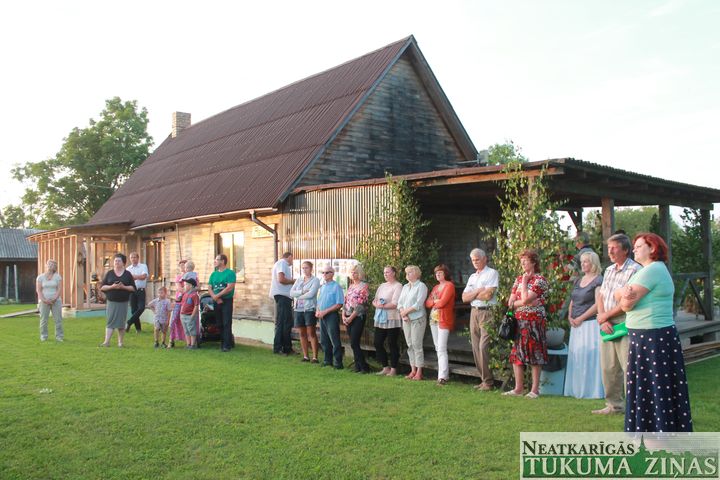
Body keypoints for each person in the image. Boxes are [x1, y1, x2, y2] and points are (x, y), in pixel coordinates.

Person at [620, 233, 693, 432]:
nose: (634, 250)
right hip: (647, 336)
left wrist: (624, 297)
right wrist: (624, 296)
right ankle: (654, 432)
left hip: (652, 337)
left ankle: (657, 434)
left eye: (639, 246)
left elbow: (626, 304)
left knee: (655, 387)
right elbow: (620, 294)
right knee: (653, 387)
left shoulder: (652, 271)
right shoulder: (647, 270)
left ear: (652, 248)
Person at [593, 233, 642, 415]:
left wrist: (605, 316)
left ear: (626, 250)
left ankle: (635, 408)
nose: (610, 251)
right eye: (609, 248)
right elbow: (601, 295)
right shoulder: (609, 270)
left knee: (629, 367)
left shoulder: (635, 270)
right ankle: (614, 406)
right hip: (607, 322)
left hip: (625, 321)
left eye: (614, 248)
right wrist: (603, 318)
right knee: (608, 367)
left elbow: (628, 302)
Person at [503, 249, 549, 399]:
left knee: (535, 353)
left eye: (526, 260)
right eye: (521, 260)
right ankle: (518, 388)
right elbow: (511, 303)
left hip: (534, 321)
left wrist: (524, 284)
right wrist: (523, 301)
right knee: (517, 353)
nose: (522, 263)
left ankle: (534, 390)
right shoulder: (518, 279)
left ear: (534, 262)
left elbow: (524, 299)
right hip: (519, 321)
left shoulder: (539, 280)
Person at [563, 251, 604, 399]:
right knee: (577, 356)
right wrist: (570, 316)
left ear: (593, 263)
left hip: (590, 324)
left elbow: (598, 304)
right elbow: (573, 300)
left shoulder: (598, 280)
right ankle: (576, 389)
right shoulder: (578, 280)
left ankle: (591, 391)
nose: (583, 264)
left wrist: (581, 318)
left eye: (586, 261)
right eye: (582, 261)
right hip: (576, 325)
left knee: (589, 356)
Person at [462, 248, 499, 391]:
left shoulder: (492, 273)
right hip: (474, 312)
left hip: (487, 312)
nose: (475, 262)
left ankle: (488, 382)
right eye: (473, 260)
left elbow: (488, 295)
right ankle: (484, 380)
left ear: (484, 259)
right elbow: (464, 298)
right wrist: (478, 291)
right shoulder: (472, 277)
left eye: (477, 259)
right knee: (476, 346)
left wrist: (473, 294)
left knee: (483, 347)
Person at [425, 264, 456, 386]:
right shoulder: (436, 287)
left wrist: (435, 302)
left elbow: (443, 303)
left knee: (442, 348)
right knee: (437, 347)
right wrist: (435, 301)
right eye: (436, 273)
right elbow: (427, 303)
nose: (437, 274)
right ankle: (443, 374)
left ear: (445, 274)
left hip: (444, 319)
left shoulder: (449, 285)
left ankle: (442, 377)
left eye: (440, 272)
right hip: (433, 320)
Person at [397, 265, 428, 381]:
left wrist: (405, 312)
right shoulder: (405, 287)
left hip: (417, 319)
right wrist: (403, 313)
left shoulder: (421, 286)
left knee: (416, 344)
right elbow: (400, 303)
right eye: (407, 272)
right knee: (409, 344)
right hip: (406, 320)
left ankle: (419, 372)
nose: (407, 274)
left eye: (410, 272)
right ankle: (413, 370)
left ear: (416, 274)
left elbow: (418, 304)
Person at [372, 266, 403, 376]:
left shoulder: (398, 286)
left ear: (394, 273)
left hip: (392, 318)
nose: (385, 274)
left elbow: (395, 303)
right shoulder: (382, 286)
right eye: (384, 272)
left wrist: (381, 306)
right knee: (377, 342)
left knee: (392, 343)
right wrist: (377, 304)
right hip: (381, 318)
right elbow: (375, 300)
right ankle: (385, 367)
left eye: (387, 272)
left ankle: (393, 369)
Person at [99, 253, 135, 348]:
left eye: (119, 261)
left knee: (121, 323)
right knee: (110, 321)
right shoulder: (110, 273)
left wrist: (123, 287)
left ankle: (120, 343)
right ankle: (106, 342)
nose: (117, 262)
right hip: (112, 302)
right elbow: (102, 287)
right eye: (115, 261)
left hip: (123, 302)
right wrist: (112, 286)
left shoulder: (127, 274)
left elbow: (133, 288)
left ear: (123, 263)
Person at [290, 261, 321, 363]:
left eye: (306, 268)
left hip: (309, 309)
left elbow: (311, 294)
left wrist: (298, 296)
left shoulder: (315, 280)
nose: (304, 270)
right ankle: (306, 356)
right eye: (303, 268)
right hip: (298, 309)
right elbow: (291, 293)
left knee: (311, 333)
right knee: (302, 333)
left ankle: (315, 357)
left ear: (311, 268)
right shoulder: (299, 280)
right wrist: (302, 292)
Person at [342, 264, 370, 373]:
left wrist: (351, 317)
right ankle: (357, 366)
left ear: (360, 274)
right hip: (348, 316)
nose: (353, 274)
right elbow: (345, 301)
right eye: (352, 272)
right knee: (353, 342)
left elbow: (360, 305)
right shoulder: (351, 286)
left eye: (355, 273)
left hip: (358, 316)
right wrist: (344, 315)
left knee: (354, 342)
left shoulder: (364, 286)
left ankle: (364, 366)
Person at [316, 267, 344, 369]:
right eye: (323, 272)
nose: (324, 274)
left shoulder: (336, 287)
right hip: (322, 315)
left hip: (331, 315)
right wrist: (318, 311)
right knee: (324, 340)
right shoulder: (322, 287)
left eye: (327, 272)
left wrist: (325, 311)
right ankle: (327, 361)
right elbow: (319, 301)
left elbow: (339, 304)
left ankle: (338, 363)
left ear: (332, 274)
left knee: (334, 340)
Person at [209, 254, 237, 352]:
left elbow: (229, 287)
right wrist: (215, 297)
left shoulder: (230, 273)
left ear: (223, 261)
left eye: (217, 259)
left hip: (227, 300)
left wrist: (218, 296)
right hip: (216, 301)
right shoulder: (213, 274)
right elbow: (210, 287)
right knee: (219, 323)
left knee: (226, 322)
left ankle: (227, 345)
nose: (215, 261)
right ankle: (223, 342)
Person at [270, 252, 295, 355]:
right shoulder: (282, 263)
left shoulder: (280, 264)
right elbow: (281, 279)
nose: (292, 261)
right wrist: (293, 281)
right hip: (283, 296)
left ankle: (286, 347)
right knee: (283, 322)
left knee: (285, 322)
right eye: (292, 259)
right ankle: (279, 347)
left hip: (283, 296)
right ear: (289, 257)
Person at [36, 259, 63, 342]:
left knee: (58, 320)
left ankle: (59, 337)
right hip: (44, 301)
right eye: (49, 264)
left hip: (56, 301)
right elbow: (39, 290)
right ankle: (43, 336)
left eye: (52, 265)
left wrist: (54, 299)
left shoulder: (58, 277)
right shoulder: (40, 277)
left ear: (55, 267)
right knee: (43, 320)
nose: (50, 266)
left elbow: (59, 289)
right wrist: (44, 300)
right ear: (46, 265)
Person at [125, 252, 149, 333]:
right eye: (131, 257)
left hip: (140, 290)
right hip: (132, 291)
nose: (133, 259)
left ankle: (129, 322)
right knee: (133, 310)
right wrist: (137, 277)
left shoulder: (143, 266)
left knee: (141, 308)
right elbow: (127, 280)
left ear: (138, 258)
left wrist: (134, 277)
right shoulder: (128, 269)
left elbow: (144, 276)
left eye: (134, 257)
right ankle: (138, 329)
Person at [169, 260, 188, 348]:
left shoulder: (192, 276)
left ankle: (190, 341)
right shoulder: (179, 277)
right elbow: (179, 288)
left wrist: (188, 290)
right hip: (179, 301)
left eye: (183, 265)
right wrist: (187, 290)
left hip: (189, 301)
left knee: (188, 320)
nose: (182, 267)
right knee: (174, 319)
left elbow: (196, 287)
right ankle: (171, 340)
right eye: (180, 265)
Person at [179, 278, 200, 349]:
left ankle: (193, 345)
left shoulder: (194, 295)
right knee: (186, 330)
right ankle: (188, 344)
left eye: (186, 285)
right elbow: (182, 304)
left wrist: (192, 316)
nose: (184, 286)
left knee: (192, 330)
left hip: (190, 316)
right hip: (183, 315)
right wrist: (181, 314)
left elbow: (196, 306)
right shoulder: (185, 294)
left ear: (191, 286)